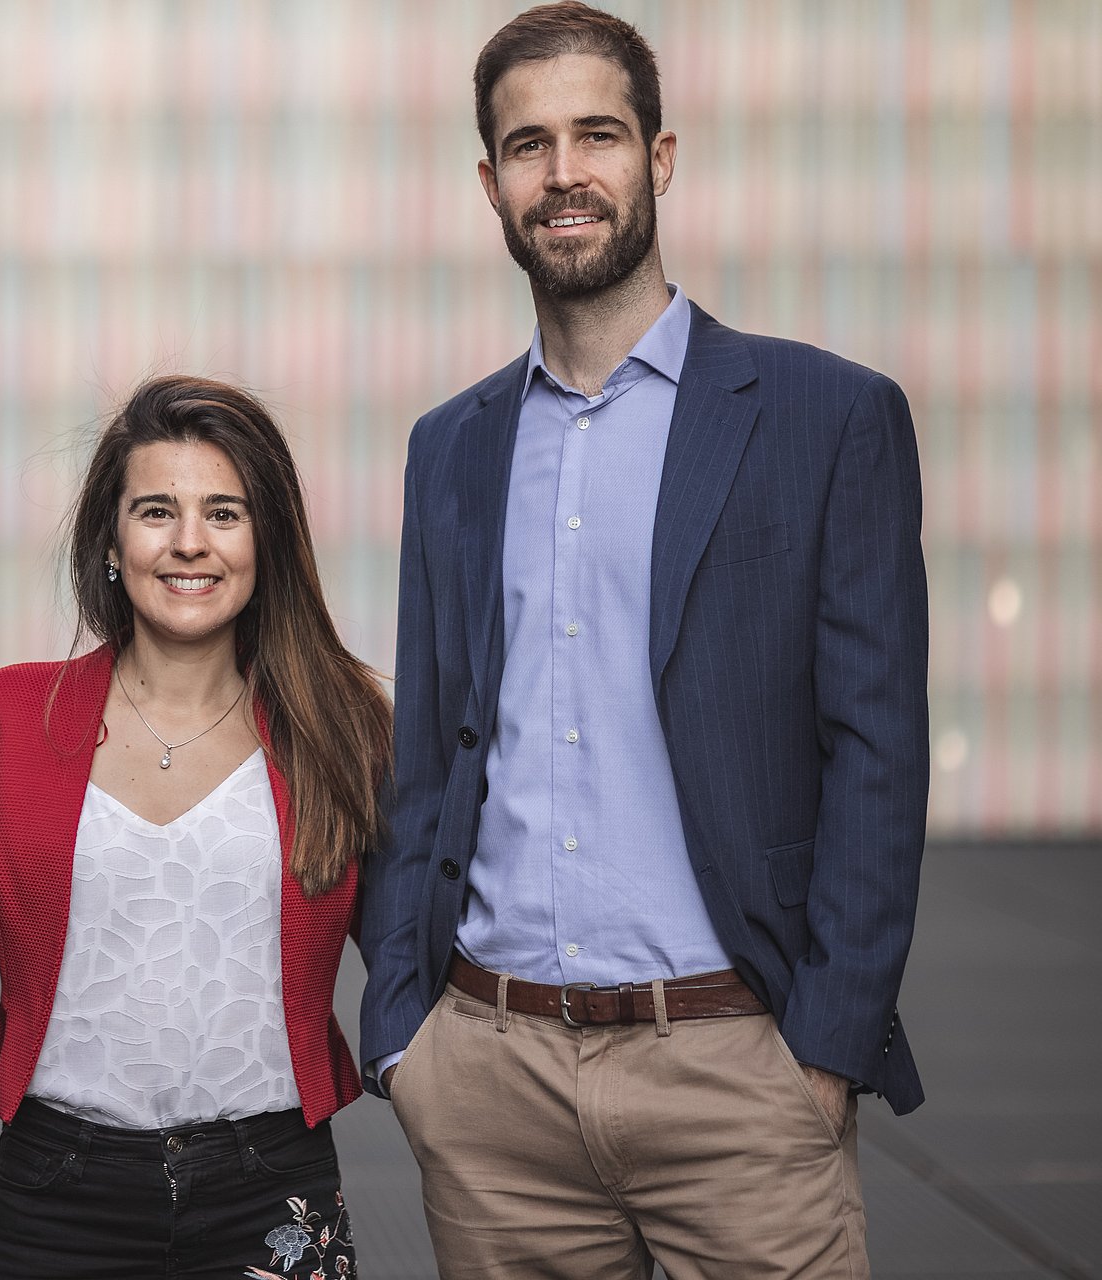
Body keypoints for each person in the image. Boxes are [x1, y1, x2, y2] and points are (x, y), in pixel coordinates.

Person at [359, 4, 928, 1275]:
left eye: (597, 136)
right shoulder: (450, 446)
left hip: (740, 1075)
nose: (563, 173)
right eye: (527, 145)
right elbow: (430, 761)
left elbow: (879, 756)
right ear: (491, 182)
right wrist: (405, 1034)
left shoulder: (827, 419)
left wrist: (826, 1052)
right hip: (491, 1083)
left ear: (658, 158)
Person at [0, 375, 390, 1279]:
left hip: (273, 1184)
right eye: (157, 510)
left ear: (267, 539)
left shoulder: (342, 726)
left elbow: (410, 942)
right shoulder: (7, 716)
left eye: (224, 512)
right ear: (112, 540)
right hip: (55, 1186)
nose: (190, 543)